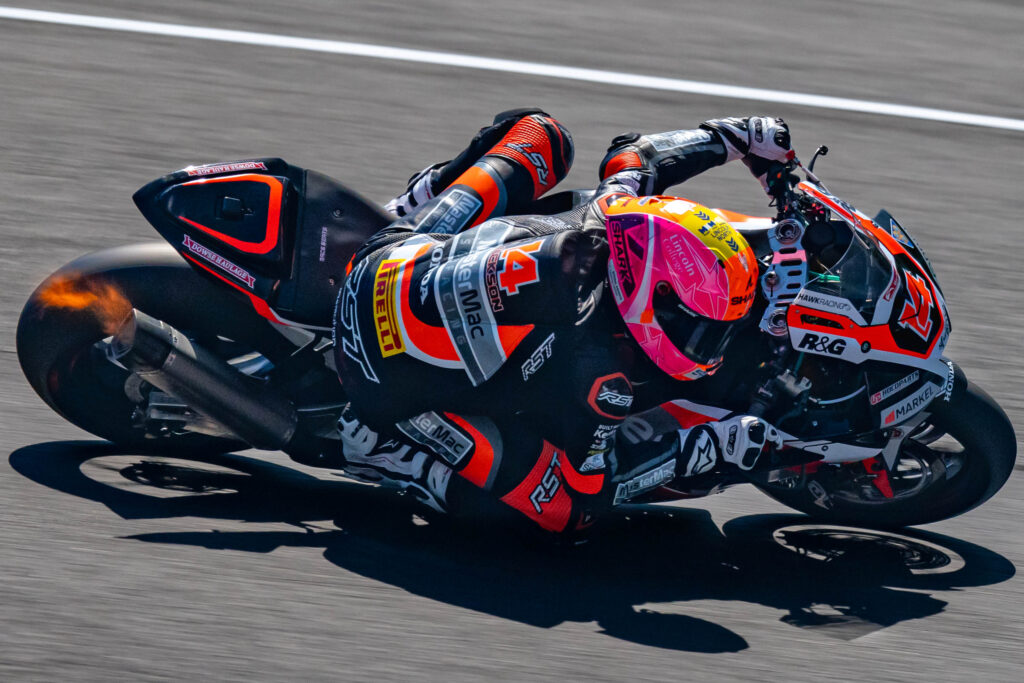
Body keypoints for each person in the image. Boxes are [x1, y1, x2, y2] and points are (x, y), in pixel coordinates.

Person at [333, 108, 788, 537]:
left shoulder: (614, 209)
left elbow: (635, 154)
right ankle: (392, 455)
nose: (709, 342)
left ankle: (411, 203)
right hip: (379, 378)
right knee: (565, 515)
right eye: (702, 326)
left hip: (383, 258)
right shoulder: (603, 373)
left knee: (539, 133)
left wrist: (733, 136)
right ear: (656, 294)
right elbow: (597, 485)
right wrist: (704, 448)